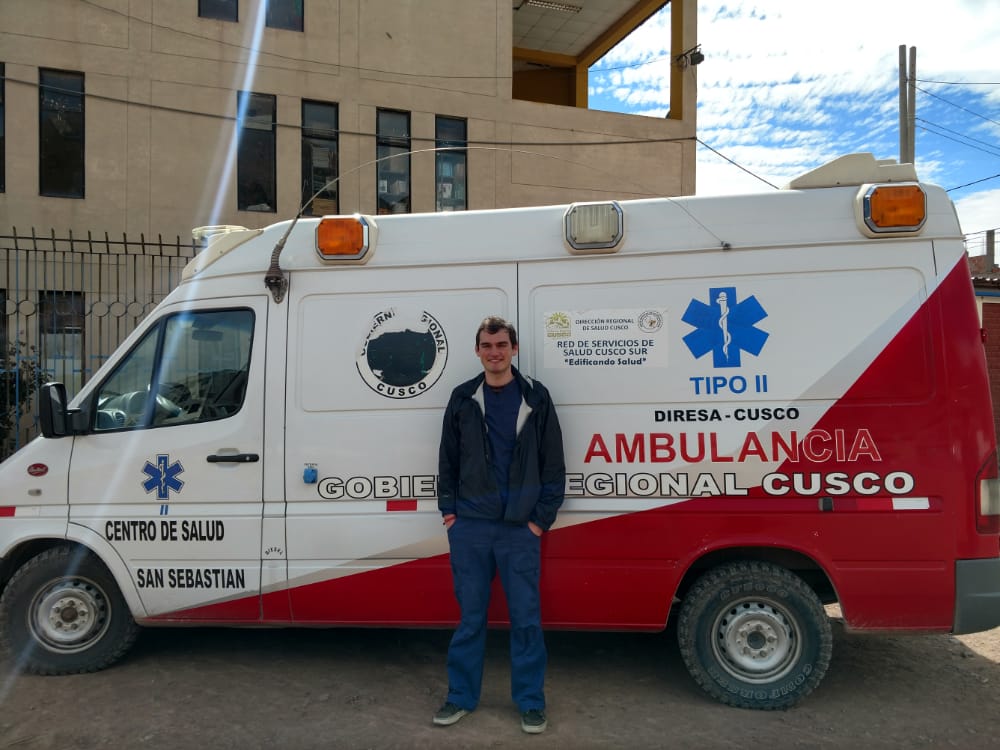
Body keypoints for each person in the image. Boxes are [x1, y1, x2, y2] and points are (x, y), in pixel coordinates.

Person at [433, 315, 565, 735]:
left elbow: (554, 465)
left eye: (502, 345)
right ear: (477, 351)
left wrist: (539, 521)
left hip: (518, 530)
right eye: (488, 346)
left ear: (514, 349)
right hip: (470, 528)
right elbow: (447, 460)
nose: (495, 352)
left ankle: (530, 702)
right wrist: (450, 514)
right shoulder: (462, 398)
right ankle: (459, 697)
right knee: (471, 620)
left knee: (526, 620)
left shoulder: (536, 398)